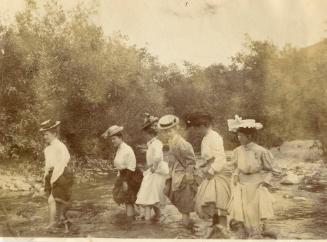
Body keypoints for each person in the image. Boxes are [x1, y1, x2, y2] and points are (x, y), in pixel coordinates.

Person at [227, 115, 281, 239]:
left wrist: (265, 182)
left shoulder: (261, 151)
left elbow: (272, 170)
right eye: (238, 135)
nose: (238, 138)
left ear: (249, 136)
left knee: (255, 213)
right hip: (241, 185)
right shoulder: (237, 151)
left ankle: (258, 234)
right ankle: (245, 235)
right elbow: (235, 167)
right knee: (241, 212)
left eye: (241, 135)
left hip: (256, 185)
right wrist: (235, 175)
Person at [186, 112, 231, 236]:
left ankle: (223, 231)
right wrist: (201, 165)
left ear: (203, 126)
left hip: (217, 174)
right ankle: (215, 232)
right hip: (210, 173)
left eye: (197, 128)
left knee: (220, 205)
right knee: (212, 205)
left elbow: (221, 158)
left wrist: (211, 171)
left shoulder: (215, 137)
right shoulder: (206, 138)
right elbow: (208, 158)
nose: (196, 131)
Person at [158, 114, 198, 229]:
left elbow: (191, 162)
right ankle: (186, 226)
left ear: (176, 129)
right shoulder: (171, 141)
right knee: (180, 203)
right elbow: (172, 160)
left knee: (185, 205)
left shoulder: (182, 143)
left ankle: (186, 229)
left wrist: (189, 177)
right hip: (175, 176)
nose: (167, 133)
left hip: (184, 178)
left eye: (169, 131)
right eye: (165, 131)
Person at [102, 125, 143, 229]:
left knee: (128, 200)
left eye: (114, 139)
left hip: (132, 176)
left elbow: (131, 167)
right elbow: (120, 167)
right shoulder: (119, 148)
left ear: (121, 137)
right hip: (124, 175)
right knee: (127, 199)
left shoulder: (127, 149)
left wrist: (125, 182)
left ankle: (130, 224)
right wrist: (119, 178)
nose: (113, 141)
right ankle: (134, 219)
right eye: (111, 139)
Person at [40, 119, 74, 233]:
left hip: (62, 175)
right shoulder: (47, 149)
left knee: (52, 200)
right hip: (51, 175)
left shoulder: (60, 146)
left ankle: (52, 224)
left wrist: (53, 180)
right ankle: (62, 221)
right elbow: (47, 166)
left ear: (54, 134)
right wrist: (45, 180)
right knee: (56, 201)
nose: (44, 137)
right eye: (43, 134)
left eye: (47, 134)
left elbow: (62, 164)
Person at [136, 113, 169, 223]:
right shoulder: (151, 143)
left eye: (145, 132)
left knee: (147, 199)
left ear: (148, 133)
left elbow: (158, 157)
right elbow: (153, 156)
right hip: (152, 172)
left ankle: (147, 223)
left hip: (156, 172)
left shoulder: (157, 143)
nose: (145, 135)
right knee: (152, 198)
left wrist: (153, 167)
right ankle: (158, 218)